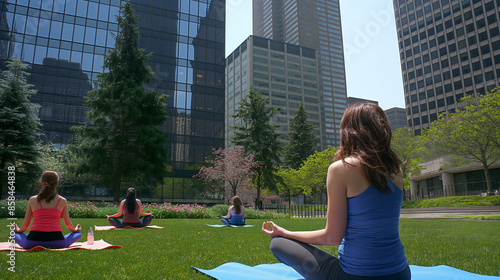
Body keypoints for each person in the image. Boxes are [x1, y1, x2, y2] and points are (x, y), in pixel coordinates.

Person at [262, 103, 411, 280]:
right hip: (401, 273)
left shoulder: (341, 169)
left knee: (278, 244)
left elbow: (332, 237)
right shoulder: (396, 171)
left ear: (348, 132)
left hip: (355, 276)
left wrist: (284, 233)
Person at [14, 171, 82, 249]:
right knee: (78, 234)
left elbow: (26, 225)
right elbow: (67, 224)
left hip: (32, 243)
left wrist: (18, 230)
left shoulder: (32, 200)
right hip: (58, 243)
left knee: (14, 234)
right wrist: (75, 230)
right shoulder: (62, 200)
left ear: (42, 182)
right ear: (56, 183)